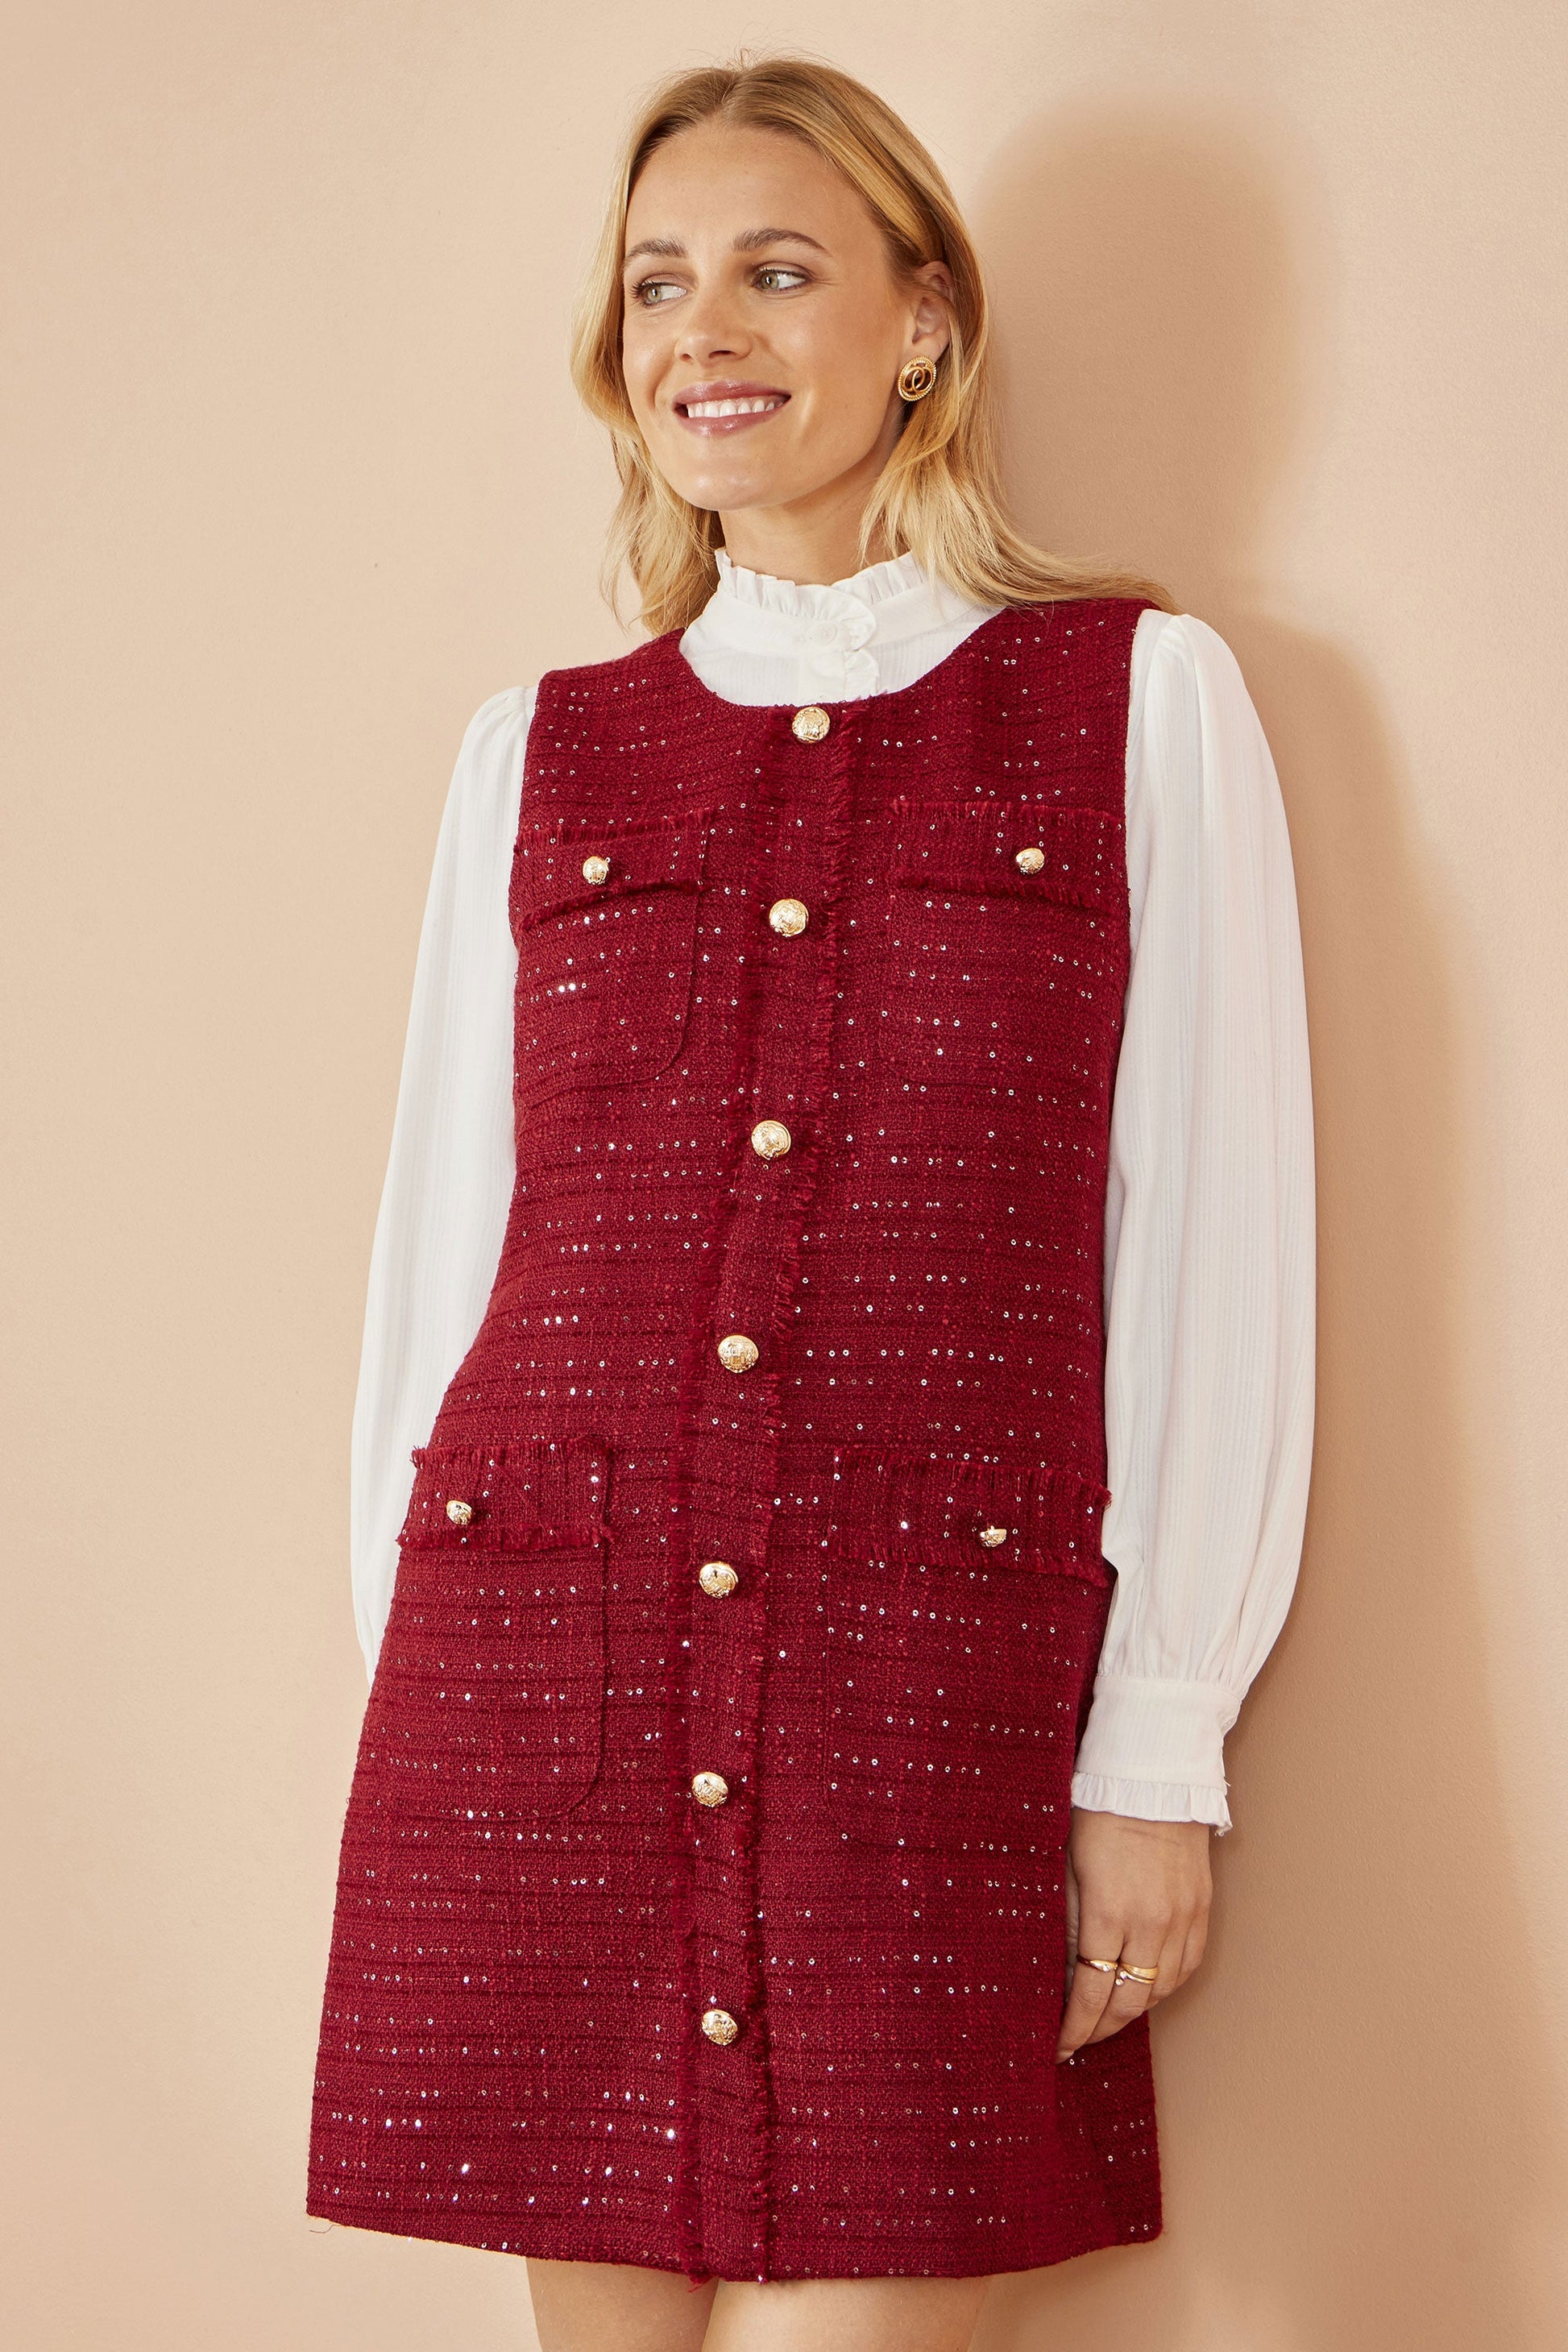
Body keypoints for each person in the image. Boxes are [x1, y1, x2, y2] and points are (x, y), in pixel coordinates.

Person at [306, 54, 1315, 2352]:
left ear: (922, 324)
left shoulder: (1134, 700)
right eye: (658, 286)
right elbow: (445, 1252)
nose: (703, 334)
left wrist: (1155, 1736)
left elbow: (1213, 1241)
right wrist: (433, 1730)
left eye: (776, 270)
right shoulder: (532, 754)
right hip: (541, 1683)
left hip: (928, 1680)